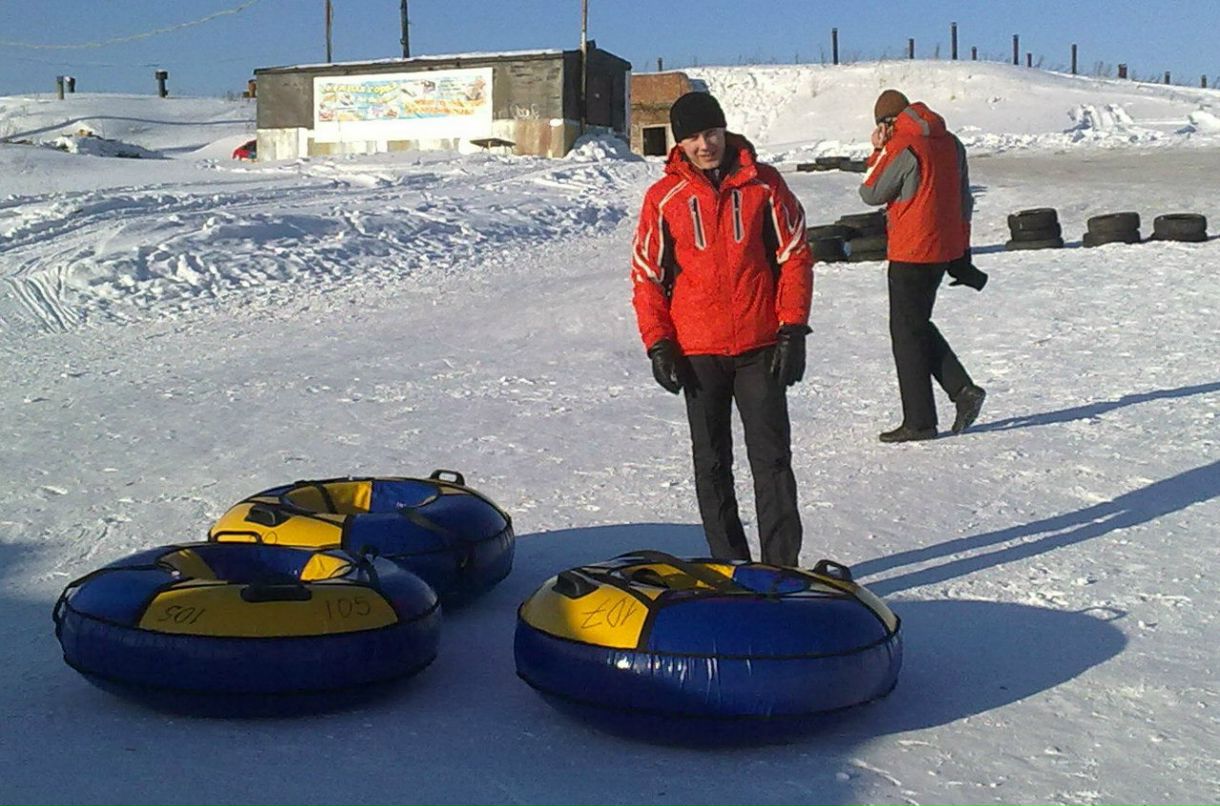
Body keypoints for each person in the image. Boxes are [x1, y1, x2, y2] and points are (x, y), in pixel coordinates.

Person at [630, 91, 814, 566]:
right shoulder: (663, 198)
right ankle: (730, 565)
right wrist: (659, 342)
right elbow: (647, 275)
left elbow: (794, 254)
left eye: (711, 132)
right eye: (692, 137)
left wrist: (793, 328)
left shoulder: (764, 185)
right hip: (698, 352)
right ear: (679, 143)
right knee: (711, 464)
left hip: (760, 345)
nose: (704, 144)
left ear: (724, 130)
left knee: (772, 460)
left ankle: (780, 569)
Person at [859, 89, 987, 443]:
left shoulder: (903, 145)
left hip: (911, 250)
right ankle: (962, 391)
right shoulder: (952, 142)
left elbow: (871, 192)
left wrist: (878, 151)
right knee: (915, 325)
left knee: (906, 334)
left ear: (887, 122)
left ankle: (920, 421)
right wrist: (962, 250)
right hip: (943, 250)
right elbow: (964, 199)